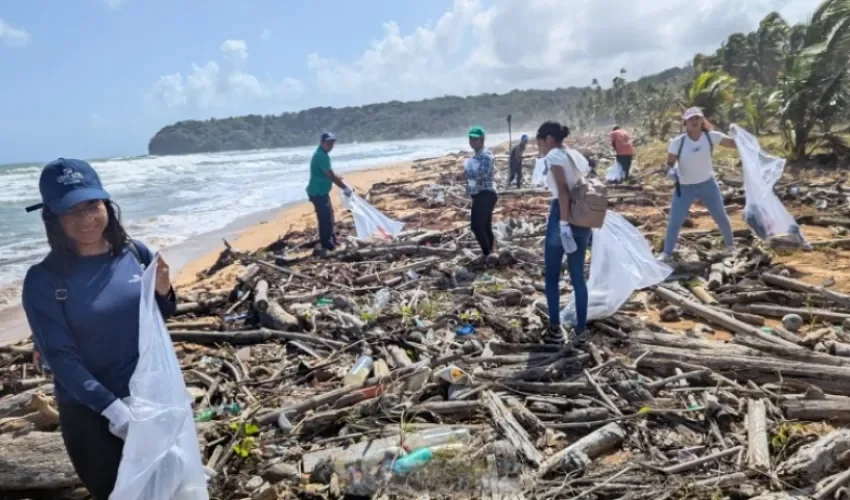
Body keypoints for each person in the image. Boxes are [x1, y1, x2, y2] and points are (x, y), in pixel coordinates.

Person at [21, 158, 178, 500]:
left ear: (106, 203)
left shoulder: (135, 254)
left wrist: (165, 291)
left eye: (92, 204)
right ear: (53, 216)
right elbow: (61, 359)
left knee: (170, 489)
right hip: (91, 416)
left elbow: (157, 319)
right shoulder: (43, 281)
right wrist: (115, 411)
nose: (86, 218)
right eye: (71, 209)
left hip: (149, 398)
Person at [537, 121, 592, 347]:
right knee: (578, 277)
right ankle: (581, 331)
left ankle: (555, 330)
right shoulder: (575, 155)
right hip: (582, 216)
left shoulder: (553, 157)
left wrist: (562, 224)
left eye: (539, 142)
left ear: (548, 139)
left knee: (552, 276)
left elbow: (562, 191)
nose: (539, 147)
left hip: (563, 213)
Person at [659, 107, 736, 262]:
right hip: (685, 187)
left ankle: (731, 247)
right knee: (675, 220)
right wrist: (672, 171)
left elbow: (733, 144)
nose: (694, 121)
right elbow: (670, 163)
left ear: (702, 121)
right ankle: (666, 254)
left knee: (720, 215)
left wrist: (738, 133)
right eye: (690, 119)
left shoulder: (710, 137)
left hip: (708, 184)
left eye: (697, 118)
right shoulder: (678, 142)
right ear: (685, 123)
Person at [306, 132, 352, 257]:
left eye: (332, 143)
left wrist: (338, 178)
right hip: (317, 192)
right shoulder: (321, 156)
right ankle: (327, 246)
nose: (330, 145)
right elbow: (330, 176)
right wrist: (344, 188)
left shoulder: (322, 154)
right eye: (328, 143)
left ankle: (332, 241)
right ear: (322, 143)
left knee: (329, 216)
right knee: (325, 219)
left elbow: (330, 173)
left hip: (321, 192)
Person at [464, 126, 498, 261]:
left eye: (475, 139)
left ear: (481, 140)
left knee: (476, 226)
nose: (472, 141)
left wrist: (468, 171)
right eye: (470, 138)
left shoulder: (486, 156)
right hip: (480, 194)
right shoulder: (475, 157)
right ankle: (491, 253)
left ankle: (487, 253)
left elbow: (482, 173)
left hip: (486, 194)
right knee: (485, 226)